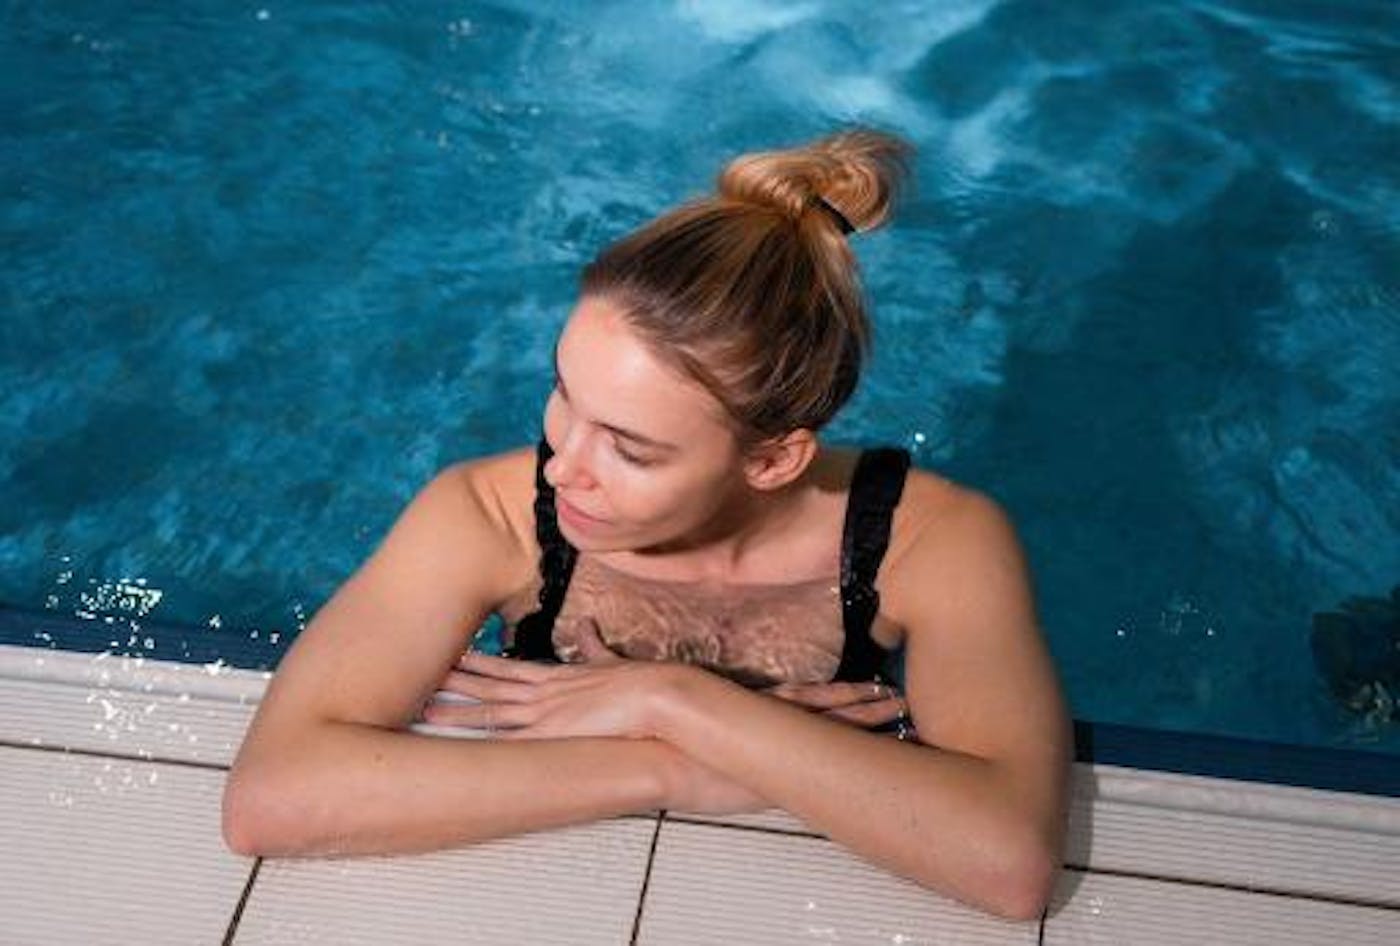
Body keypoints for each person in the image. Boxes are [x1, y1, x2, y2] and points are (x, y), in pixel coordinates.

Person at [222, 129, 1071, 921]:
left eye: (630, 449)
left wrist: (669, 696)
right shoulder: (489, 514)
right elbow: (272, 796)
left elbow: (1010, 864)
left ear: (774, 460)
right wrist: (669, 765)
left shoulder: (927, 541)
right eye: (564, 395)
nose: (561, 468)